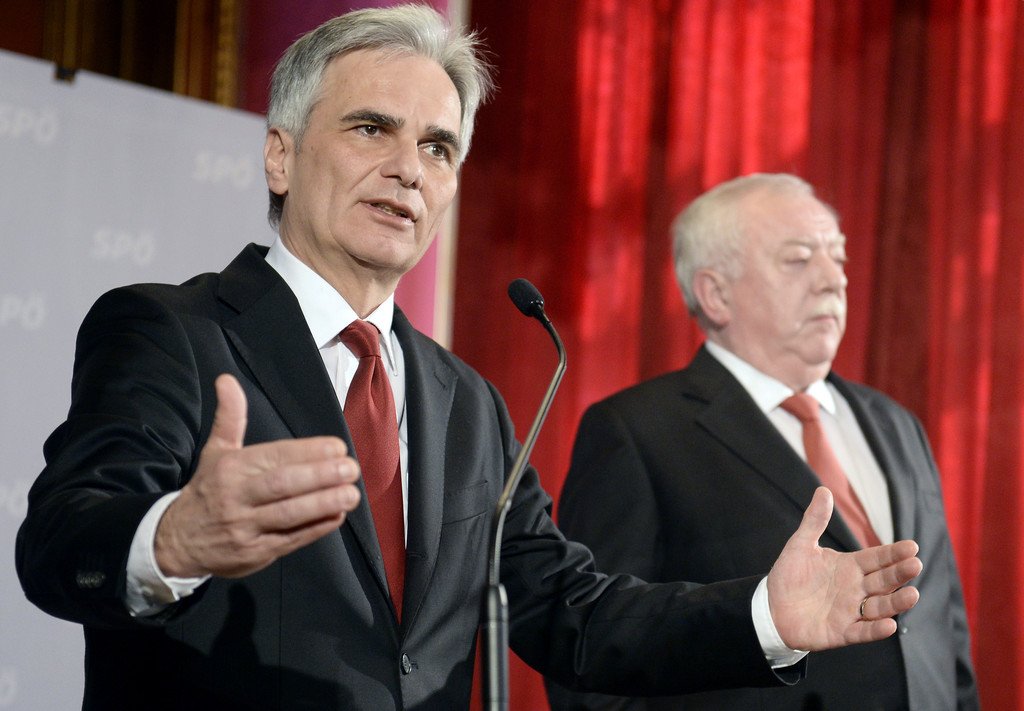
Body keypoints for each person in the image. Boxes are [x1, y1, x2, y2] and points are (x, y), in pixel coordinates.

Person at [15, 8, 922, 710]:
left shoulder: (468, 401)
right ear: (280, 156)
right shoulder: (171, 330)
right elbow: (59, 542)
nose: (409, 168)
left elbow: (569, 610)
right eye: (371, 129)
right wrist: (172, 538)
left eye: (437, 146)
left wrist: (763, 615)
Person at [546, 173, 978, 710]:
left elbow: (943, 625)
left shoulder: (896, 422)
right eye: (799, 259)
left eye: (838, 257)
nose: (834, 280)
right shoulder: (635, 431)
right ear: (716, 294)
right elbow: (594, 657)